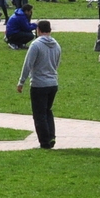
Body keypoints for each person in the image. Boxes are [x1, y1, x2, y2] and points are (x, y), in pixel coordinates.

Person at [15, 20, 62, 149]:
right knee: (48, 111)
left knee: (39, 114)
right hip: (53, 83)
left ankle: (44, 141)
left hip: (39, 84)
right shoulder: (57, 45)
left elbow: (28, 64)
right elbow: (57, 63)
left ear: (38, 30)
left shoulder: (36, 45)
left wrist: (21, 82)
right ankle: (51, 136)